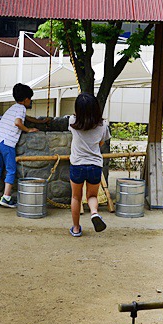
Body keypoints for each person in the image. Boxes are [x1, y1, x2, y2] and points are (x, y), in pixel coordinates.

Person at [0, 83, 47, 207]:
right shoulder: (21, 108)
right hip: (7, 143)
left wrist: (41, 121)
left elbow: (27, 118)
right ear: (26, 99)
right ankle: (6, 197)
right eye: (30, 99)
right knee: (11, 170)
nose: (30, 101)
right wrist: (28, 130)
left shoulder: (13, 108)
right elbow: (18, 122)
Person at [67, 93, 110, 237]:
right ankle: (94, 213)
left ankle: (76, 228)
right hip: (95, 165)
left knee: (76, 197)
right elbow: (101, 142)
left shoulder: (72, 121)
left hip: (77, 165)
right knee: (92, 196)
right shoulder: (103, 125)